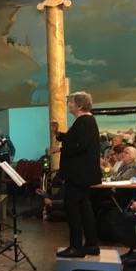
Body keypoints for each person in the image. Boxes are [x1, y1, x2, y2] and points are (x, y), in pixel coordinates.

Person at [52, 91, 102, 258]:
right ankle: (91, 245)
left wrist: (61, 148)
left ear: (79, 105)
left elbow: (79, 145)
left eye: (71, 102)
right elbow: (74, 139)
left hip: (78, 175)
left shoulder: (84, 121)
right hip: (83, 175)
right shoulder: (86, 121)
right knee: (85, 208)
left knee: (73, 209)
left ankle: (76, 247)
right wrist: (58, 134)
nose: (69, 105)